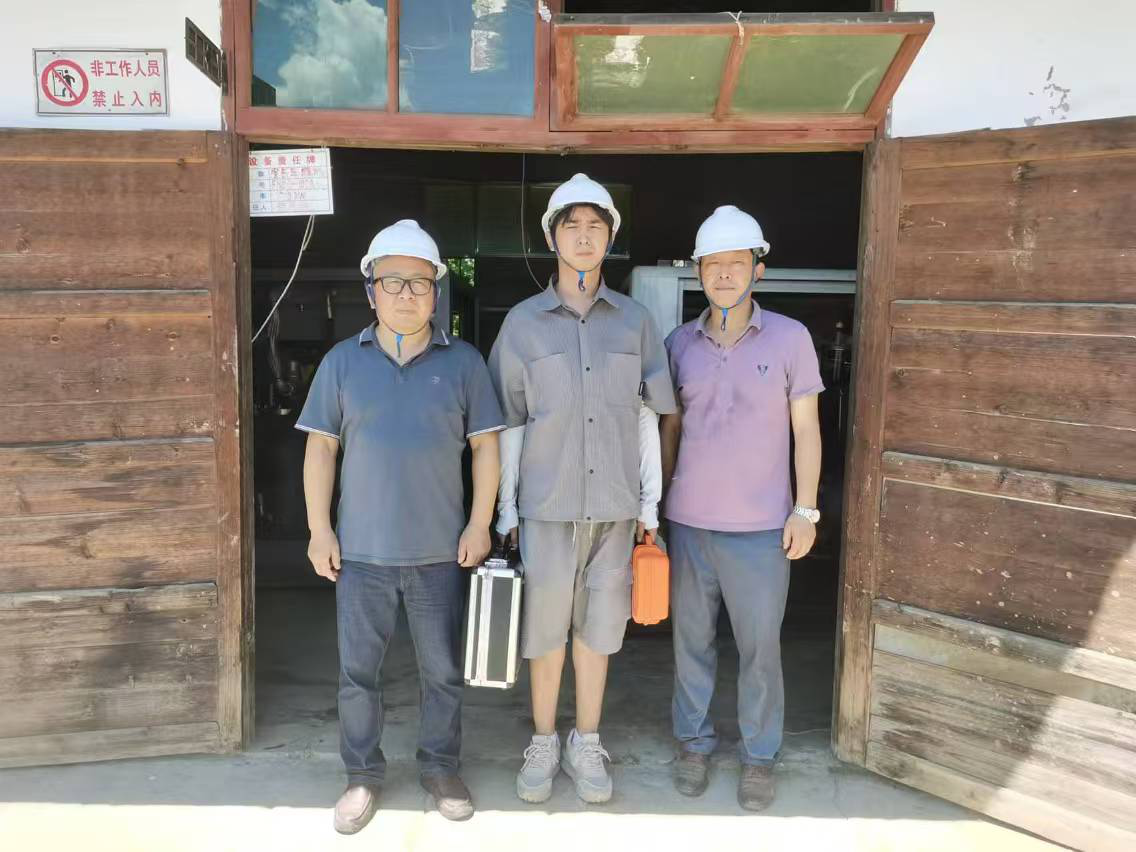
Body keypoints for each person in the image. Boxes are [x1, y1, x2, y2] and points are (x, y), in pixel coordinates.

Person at [297, 219, 504, 832]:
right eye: (393, 281)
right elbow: (321, 449)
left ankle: (440, 767)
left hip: (441, 552)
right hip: (361, 553)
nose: (407, 294)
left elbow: (487, 449)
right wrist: (319, 529)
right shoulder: (342, 362)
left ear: (436, 292)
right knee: (358, 675)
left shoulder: (463, 363)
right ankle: (362, 776)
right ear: (372, 292)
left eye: (419, 282)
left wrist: (480, 524)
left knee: (442, 673)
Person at [489, 174, 677, 804]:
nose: (584, 237)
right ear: (552, 238)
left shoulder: (635, 321)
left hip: (616, 510)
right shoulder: (523, 324)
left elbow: (647, 417)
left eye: (596, 226)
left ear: (610, 237)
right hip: (545, 509)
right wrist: (506, 510)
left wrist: (650, 503)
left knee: (599, 629)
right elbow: (510, 424)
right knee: (545, 630)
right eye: (572, 226)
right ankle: (544, 740)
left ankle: (586, 739)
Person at [660, 205, 824, 812]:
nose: (724, 274)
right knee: (690, 643)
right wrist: (657, 509)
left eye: (736, 263)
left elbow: (806, 430)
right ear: (698, 270)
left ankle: (759, 756)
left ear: (759, 268)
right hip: (689, 522)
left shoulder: (790, 338)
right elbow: (669, 431)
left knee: (760, 650)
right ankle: (693, 744)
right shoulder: (680, 343)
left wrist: (805, 510)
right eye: (713, 264)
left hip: (761, 528)